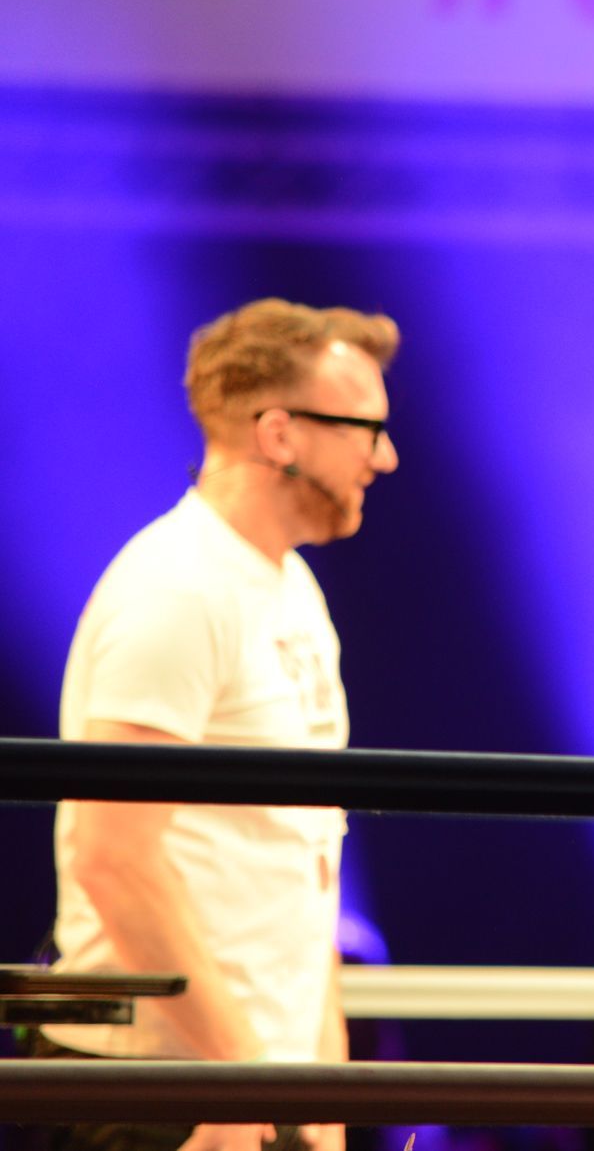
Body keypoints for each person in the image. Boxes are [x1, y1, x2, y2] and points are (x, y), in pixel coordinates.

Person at [42, 299, 401, 1151]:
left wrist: (318, 1086)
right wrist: (238, 1083)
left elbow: (303, 861)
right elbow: (111, 855)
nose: (384, 457)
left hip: (249, 1079)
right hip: (168, 1087)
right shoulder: (175, 588)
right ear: (279, 433)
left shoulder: (291, 590)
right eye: (364, 428)